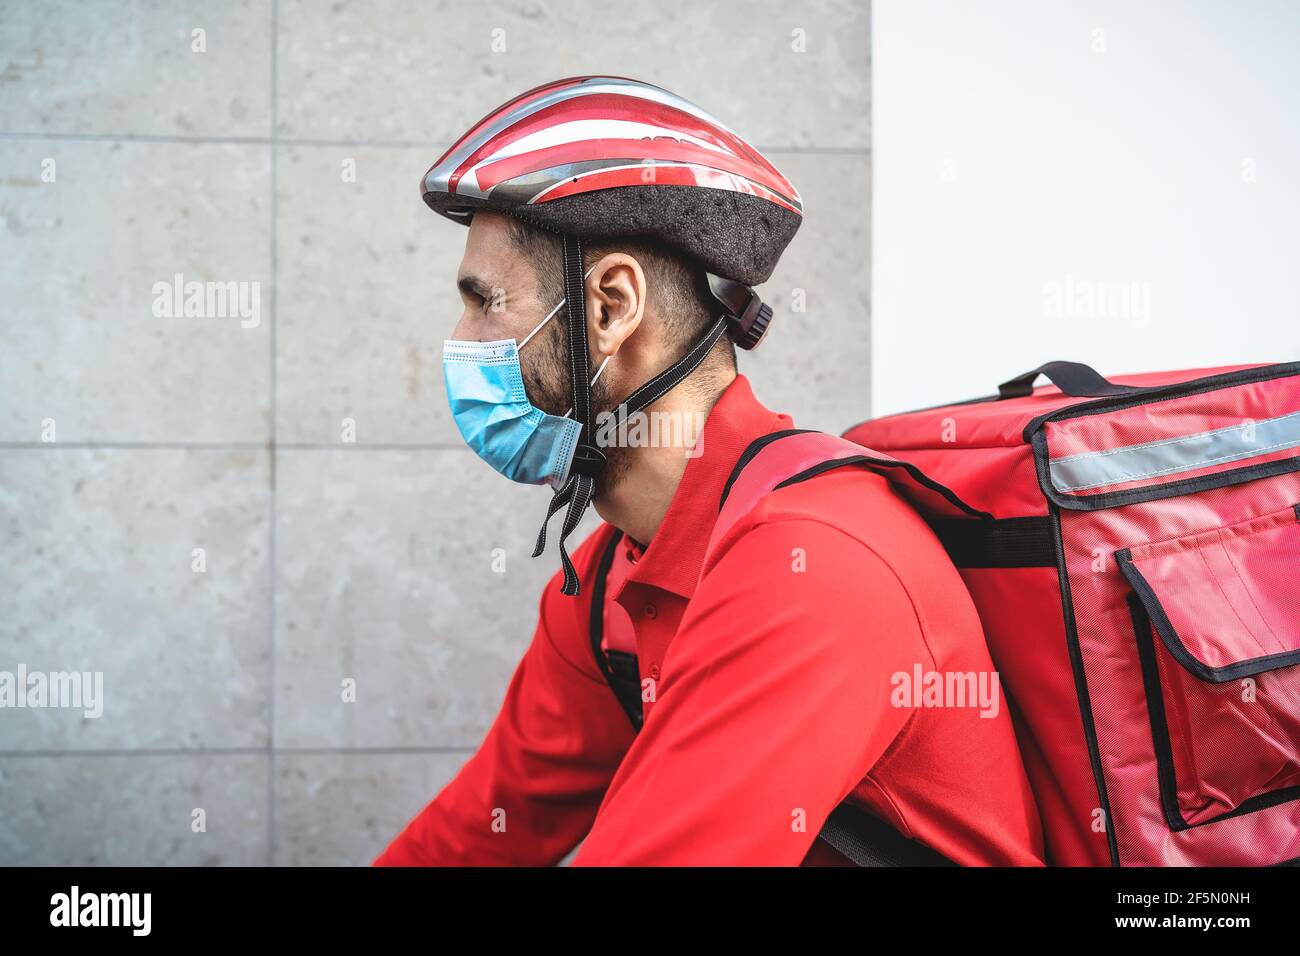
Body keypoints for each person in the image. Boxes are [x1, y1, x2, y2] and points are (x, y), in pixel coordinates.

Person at [373, 76, 1044, 865]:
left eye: (485, 301)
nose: (458, 337)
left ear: (610, 305)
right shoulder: (608, 582)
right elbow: (481, 832)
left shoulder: (815, 565)